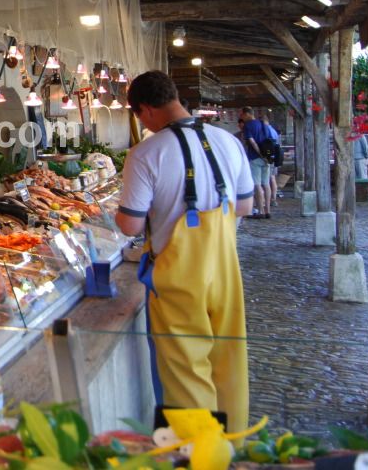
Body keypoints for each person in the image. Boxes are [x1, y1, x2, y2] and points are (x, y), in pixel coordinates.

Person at [115, 71, 254, 434]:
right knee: (228, 361)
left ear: (144, 110)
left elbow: (130, 226)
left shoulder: (146, 153)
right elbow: (245, 206)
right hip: (224, 269)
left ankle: (196, 456)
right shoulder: (227, 140)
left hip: (177, 278)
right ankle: (235, 445)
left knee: (185, 374)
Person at [240, 107, 272, 219]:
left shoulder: (248, 126)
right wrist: (266, 156)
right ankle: (268, 210)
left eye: (242, 115)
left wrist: (260, 154)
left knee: (257, 184)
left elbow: (252, 142)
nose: (241, 117)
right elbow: (269, 139)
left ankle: (261, 211)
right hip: (268, 158)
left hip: (255, 157)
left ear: (248, 114)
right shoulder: (262, 123)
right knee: (266, 184)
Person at [261, 112, 281, 206]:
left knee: (266, 179)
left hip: (269, 156)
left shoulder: (266, 131)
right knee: (273, 178)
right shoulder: (273, 130)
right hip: (275, 156)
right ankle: (274, 198)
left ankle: (266, 200)